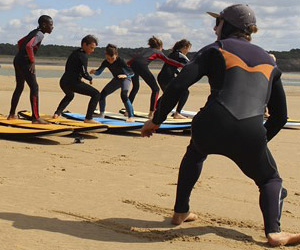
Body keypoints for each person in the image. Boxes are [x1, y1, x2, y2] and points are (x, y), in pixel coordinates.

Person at [141, 4, 300, 247]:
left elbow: (178, 85)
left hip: (210, 123)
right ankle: (274, 232)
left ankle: (180, 212)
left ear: (227, 26)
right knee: (270, 180)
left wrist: (156, 120)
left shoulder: (216, 49)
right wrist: (256, 144)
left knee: (195, 153)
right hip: (251, 131)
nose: (215, 27)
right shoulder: (269, 61)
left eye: (218, 22)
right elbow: (280, 116)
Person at [7, 15, 54, 124]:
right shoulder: (40, 34)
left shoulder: (33, 32)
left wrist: (21, 56)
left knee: (19, 87)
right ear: (44, 25)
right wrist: (31, 60)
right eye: (51, 25)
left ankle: (11, 114)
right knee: (34, 87)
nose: (52, 27)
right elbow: (28, 46)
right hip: (25, 62)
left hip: (17, 60)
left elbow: (20, 42)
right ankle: (36, 118)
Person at [127, 36, 185, 118]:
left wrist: (126, 67)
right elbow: (168, 60)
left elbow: (134, 58)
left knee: (135, 87)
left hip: (132, 66)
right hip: (141, 66)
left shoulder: (144, 50)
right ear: (160, 46)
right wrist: (181, 65)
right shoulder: (158, 51)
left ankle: (127, 111)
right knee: (155, 89)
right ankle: (151, 113)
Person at [53, 35, 100, 123]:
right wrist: (89, 78)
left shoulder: (75, 52)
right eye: (91, 48)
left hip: (64, 81)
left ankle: (57, 113)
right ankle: (88, 118)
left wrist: (79, 77)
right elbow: (84, 72)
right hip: (72, 83)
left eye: (94, 48)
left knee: (70, 95)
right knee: (96, 94)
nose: (92, 50)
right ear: (84, 44)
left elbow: (72, 69)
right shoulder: (83, 56)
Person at [90, 44, 135, 122]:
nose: (110, 60)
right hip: (116, 80)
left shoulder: (120, 61)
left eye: (112, 58)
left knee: (123, 95)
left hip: (125, 79)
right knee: (102, 95)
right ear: (106, 55)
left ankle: (131, 116)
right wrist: (94, 72)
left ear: (116, 55)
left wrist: (125, 75)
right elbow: (99, 72)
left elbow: (132, 73)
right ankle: (101, 114)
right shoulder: (105, 62)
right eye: (108, 58)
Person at [157, 39, 192, 119]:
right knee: (185, 92)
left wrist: (178, 73)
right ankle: (177, 113)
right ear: (185, 47)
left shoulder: (172, 54)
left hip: (162, 77)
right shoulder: (180, 55)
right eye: (188, 49)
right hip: (167, 77)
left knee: (167, 95)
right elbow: (191, 64)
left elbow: (171, 67)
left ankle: (155, 110)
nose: (188, 51)